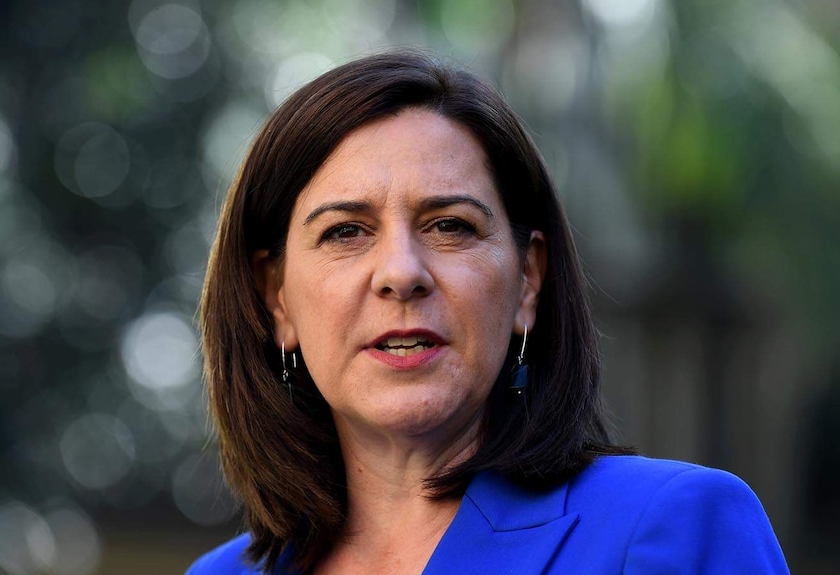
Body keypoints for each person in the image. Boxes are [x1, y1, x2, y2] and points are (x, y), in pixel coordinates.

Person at [188, 52, 789, 574]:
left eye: (450, 226)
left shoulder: (676, 529)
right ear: (278, 298)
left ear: (528, 281)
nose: (401, 272)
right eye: (346, 231)